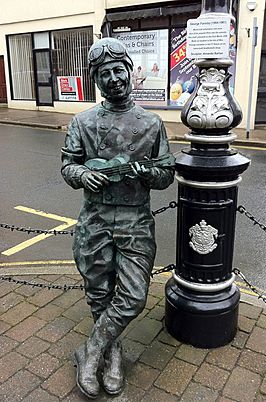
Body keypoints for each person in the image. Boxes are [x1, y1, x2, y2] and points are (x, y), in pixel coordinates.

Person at [61, 37, 174, 399]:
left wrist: (147, 174)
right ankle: (113, 353)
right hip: (94, 218)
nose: (113, 78)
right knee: (98, 291)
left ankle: (91, 349)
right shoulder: (83, 121)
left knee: (134, 294)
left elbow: (166, 174)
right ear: (97, 79)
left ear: (130, 73)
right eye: (104, 73)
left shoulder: (152, 124)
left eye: (118, 70)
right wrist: (81, 175)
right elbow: (68, 165)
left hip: (134, 219)